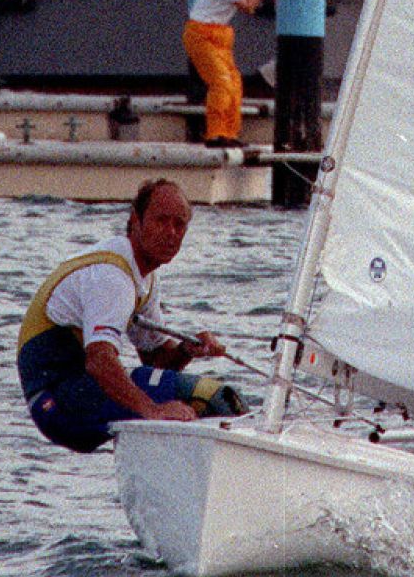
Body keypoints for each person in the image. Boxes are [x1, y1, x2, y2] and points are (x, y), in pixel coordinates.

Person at [16, 179, 248, 453]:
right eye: (161, 221)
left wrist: (187, 349)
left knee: (193, 405)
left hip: (76, 394)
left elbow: (156, 360)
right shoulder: (113, 276)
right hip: (57, 401)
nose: (171, 233)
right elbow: (100, 361)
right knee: (216, 399)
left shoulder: (143, 278)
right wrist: (152, 410)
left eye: (179, 224)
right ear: (136, 222)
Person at [183, 0, 274, 148]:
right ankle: (215, 133)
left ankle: (229, 133)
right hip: (201, 35)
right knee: (221, 82)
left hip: (219, 36)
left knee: (234, 82)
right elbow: (249, 6)